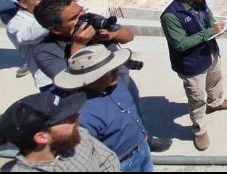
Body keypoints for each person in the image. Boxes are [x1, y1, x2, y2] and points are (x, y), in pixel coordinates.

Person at [33, 0, 172, 152]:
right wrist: (79, 45)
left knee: (134, 113)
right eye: (74, 18)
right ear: (56, 28)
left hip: (123, 83)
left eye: (81, 12)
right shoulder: (45, 51)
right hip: (95, 100)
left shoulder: (92, 20)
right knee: (114, 131)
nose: (83, 19)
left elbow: (128, 36)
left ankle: (144, 138)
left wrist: (112, 35)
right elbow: (72, 82)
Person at [161, 0, 227, 151]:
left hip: (209, 53)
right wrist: (209, 32)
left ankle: (216, 102)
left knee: (215, 79)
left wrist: (215, 26)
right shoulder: (171, 16)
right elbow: (180, 44)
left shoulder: (199, 2)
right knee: (196, 98)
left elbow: (208, 17)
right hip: (191, 64)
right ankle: (199, 130)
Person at [54, 44, 153, 172]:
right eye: (108, 72)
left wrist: (142, 135)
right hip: (122, 164)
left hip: (143, 149)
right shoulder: (81, 115)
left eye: (114, 68)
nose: (116, 72)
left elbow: (130, 111)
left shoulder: (117, 83)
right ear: (89, 79)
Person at [0, 92, 119, 172]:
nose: (77, 117)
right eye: (66, 118)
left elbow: (108, 159)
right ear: (41, 137)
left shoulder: (77, 136)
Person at [6, 0, 52, 89]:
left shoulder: (52, 13)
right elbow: (31, 36)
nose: (46, 0)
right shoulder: (15, 24)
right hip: (49, 79)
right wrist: (54, 12)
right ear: (23, 4)